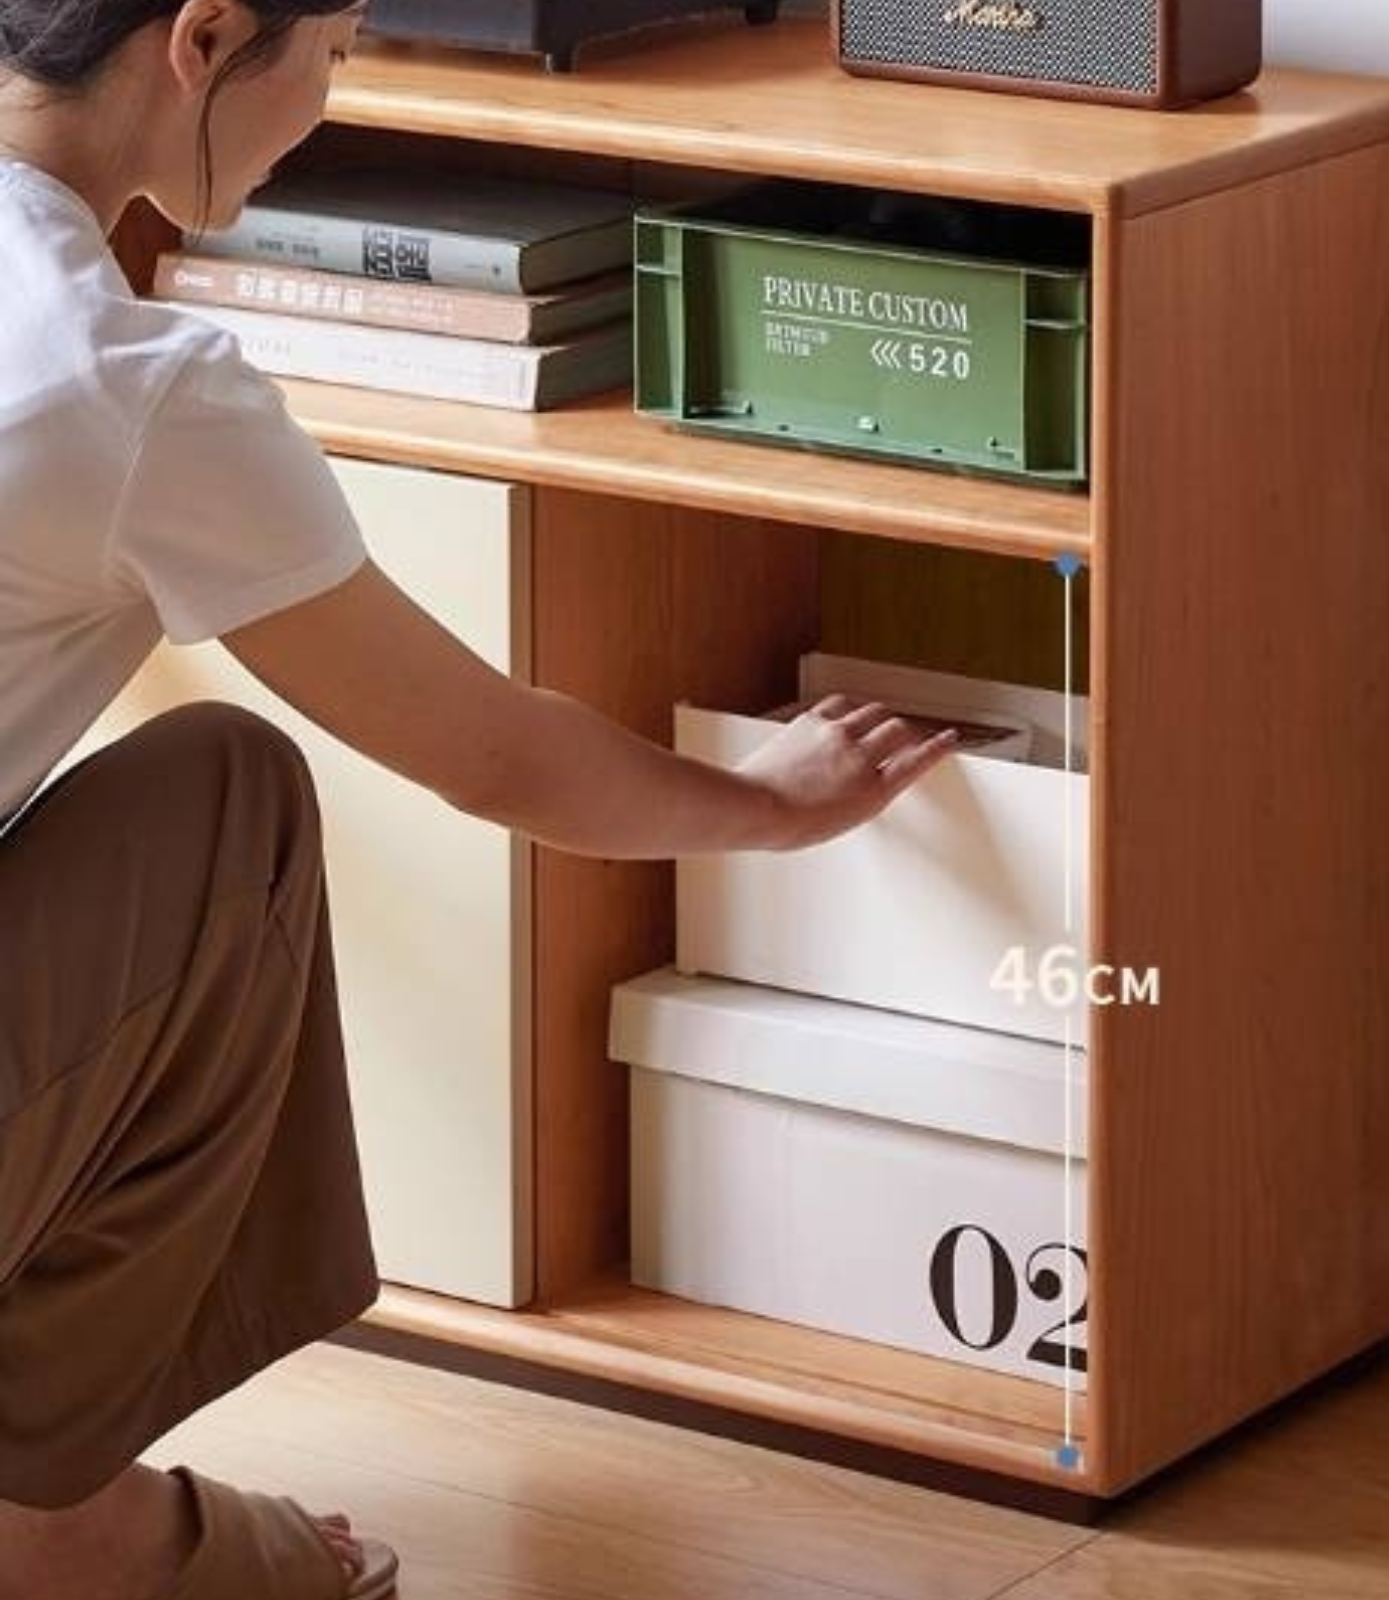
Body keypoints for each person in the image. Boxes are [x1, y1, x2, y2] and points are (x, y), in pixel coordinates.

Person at [0, 3, 959, 1596]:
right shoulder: (124, 387)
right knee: (235, 818)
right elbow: (497, 754)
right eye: (346, 43)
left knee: (192, 781)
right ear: (207, 35)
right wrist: (769, 803)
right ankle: (54, 1526)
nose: (340, 91)